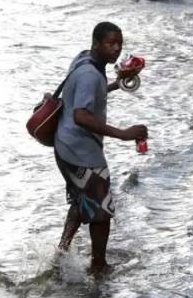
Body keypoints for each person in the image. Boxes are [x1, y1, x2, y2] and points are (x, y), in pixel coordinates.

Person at [54, 22, 148, 276]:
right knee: (102, 210)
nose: (116, 49)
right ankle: (98, 266)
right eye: (110, 43)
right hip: (81, 151)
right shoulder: (90, 74)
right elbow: (81, 115)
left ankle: (62, 251)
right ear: (96, 43)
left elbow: (86, 93)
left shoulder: (84, 60)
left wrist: (117, 84)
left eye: (119, 44)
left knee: (81, 199)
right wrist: (123, 134)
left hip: (64, 146)